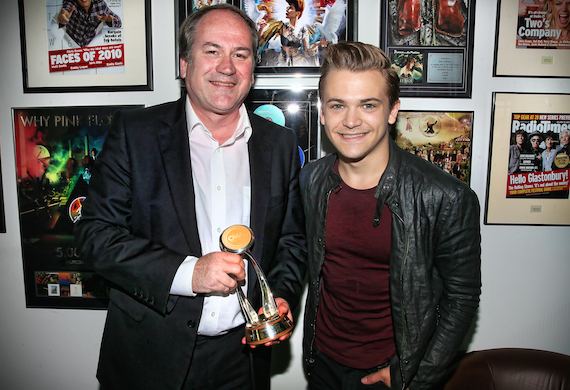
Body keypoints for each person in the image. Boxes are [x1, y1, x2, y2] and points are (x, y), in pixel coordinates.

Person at [74, 4, 306, 390]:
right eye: (212, 50)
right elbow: (95, 237)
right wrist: (189, 274)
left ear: (253, 67)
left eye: (241, 54)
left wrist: (277, 295)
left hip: (244, 360)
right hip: (150, 357)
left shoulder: (280, 144)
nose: (227, 67)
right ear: (184, 63)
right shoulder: (136, 134)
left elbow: (292, 240)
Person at [299, 42, 481, 390]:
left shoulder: (445, 197)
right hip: (322, 363)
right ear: (322, 112)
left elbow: (461, 300)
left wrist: (414, 376)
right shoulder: (311, 180)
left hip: (391, 374)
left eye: (368, 105)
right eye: (338, 105)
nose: (351, 121)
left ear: (393, 111)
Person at [56, 0, 122, 47]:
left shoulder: (100, 5)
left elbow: (119, 22)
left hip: (90, 47)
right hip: (69, 45)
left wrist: (109, 21)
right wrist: (62, 18)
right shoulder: (70, 3)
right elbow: (64, 12)